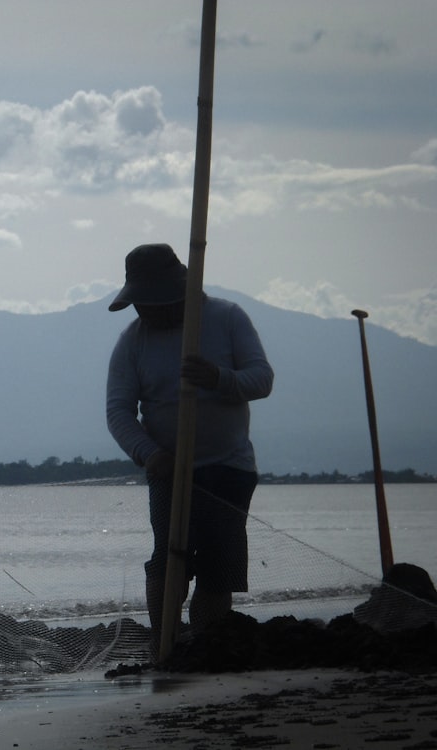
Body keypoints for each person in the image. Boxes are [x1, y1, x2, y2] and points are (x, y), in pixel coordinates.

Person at [105, 243, 273, 645]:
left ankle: (208, 643)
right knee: (168, 557)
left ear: (176, 295)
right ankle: (164, 644)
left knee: (219, 565)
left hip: (229, 469)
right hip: (169, 469)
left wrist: (219, 378)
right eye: (139, 304)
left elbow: (262, 379)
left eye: (150, 303)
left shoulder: (226, 318)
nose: (144, 311)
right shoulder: (133, 341)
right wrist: (149, 454)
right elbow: (118, 412)